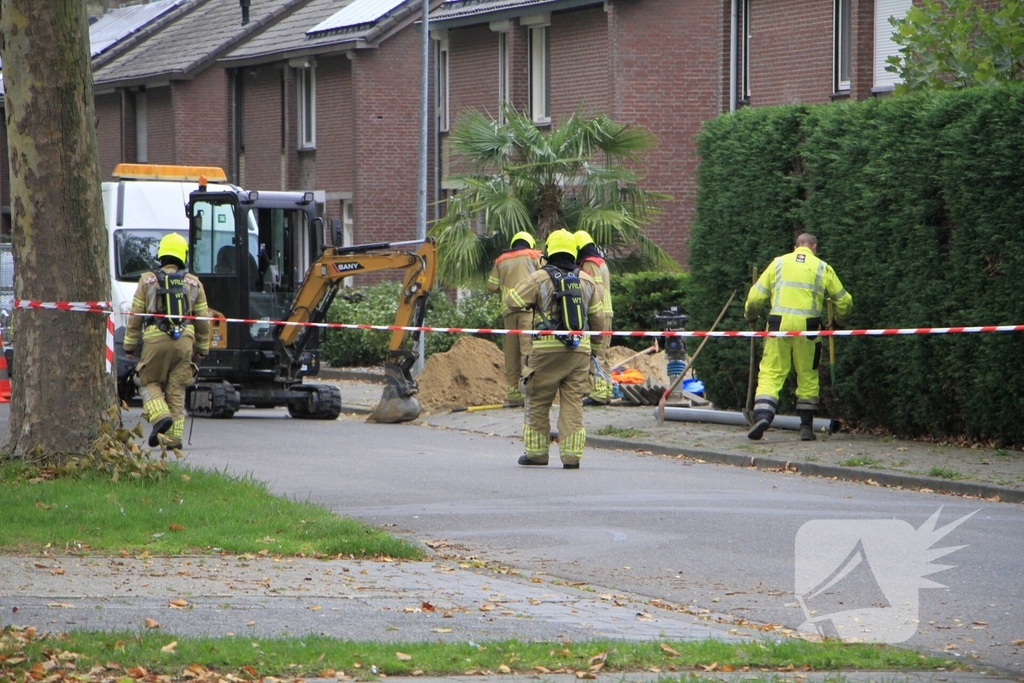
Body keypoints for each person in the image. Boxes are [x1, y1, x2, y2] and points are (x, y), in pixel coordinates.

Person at [505, 229, 607, 469]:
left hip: (546, 351)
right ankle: (571, 457)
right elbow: (598, 320)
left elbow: (513, 302)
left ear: (548, 251)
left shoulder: (540, 277)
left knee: (538, 399)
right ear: (573, 251)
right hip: (579, 351)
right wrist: (593, 348)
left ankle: (537, 453)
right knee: (573, 402)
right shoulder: (586, 279)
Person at [744, 233, 852, 442]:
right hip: (809, 329)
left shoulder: (778, 263)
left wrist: (751, 315)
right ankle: (806, 427)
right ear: (814, 247)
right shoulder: (822, 267)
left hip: (778, 327)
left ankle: (763, 417)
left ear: (795, 247)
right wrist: (839, 322)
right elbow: (845, 301)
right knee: (808, 375)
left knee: (771, 372)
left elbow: (755, 297)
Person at [124, 233, 211, 449]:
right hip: (185, 342)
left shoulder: (147, 280)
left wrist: (129, 346)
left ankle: (160, 415)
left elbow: (136, 315)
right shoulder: (194, 283)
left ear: (161, 255)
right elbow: (203, 320)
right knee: (177, 387)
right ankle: (173, 439)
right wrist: (202, 349)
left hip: (155, 340)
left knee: (147, 381)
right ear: (183, 255)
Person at [487, 231, 543, 407]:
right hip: (528, 310)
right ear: (529, 243)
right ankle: (530, 393)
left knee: (511, 354)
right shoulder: (535, 255)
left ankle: (513, 396)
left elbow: (492, 285)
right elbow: (545, 279)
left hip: (508, 312)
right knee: (528, 352)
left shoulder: (500, 260)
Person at [575, 230, 614, 405]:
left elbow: (594, 289)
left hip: (599, 313)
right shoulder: (601, 261)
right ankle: (604, 390)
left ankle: (597, 392)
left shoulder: (589, 263)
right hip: (607, 311)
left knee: (596, 353)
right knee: (604, 353)